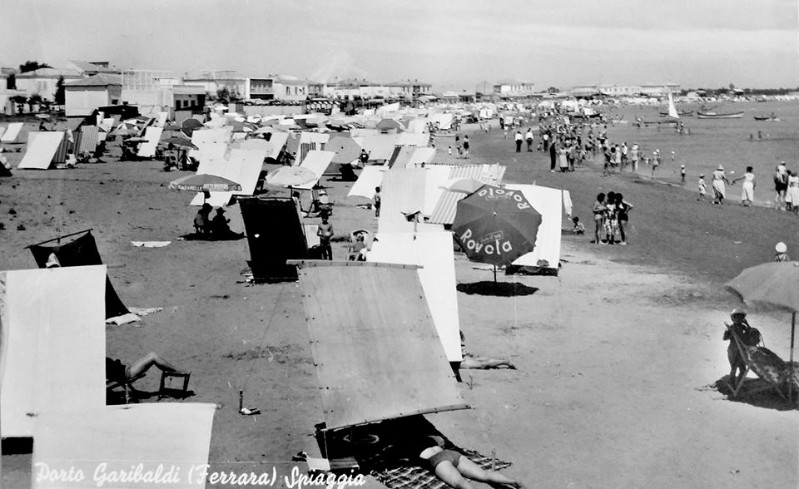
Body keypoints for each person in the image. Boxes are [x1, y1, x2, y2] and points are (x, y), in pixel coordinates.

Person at [407, 435, 524, 489]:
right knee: (484, 474)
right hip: (452, 454)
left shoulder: (407, 447)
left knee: (459, 483)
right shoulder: (432, 438)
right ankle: (512, 481)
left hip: (438, 459)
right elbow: (443, 442)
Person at [722, 309, 760, 387]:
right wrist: (729, 332)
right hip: (733, 351)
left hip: (742, 352)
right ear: (733, 319)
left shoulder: (744, 327)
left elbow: (752, 334)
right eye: (736, 317)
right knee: (734, 368)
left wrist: (747, 325)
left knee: (742, 370)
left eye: (741, 318)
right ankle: (732, 384)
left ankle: (738, 384)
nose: (738, 319)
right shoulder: (731, 328)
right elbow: (724, 338)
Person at [106, 353, 185, 384]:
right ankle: (178, 371)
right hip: (127, 373)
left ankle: (173, 370)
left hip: (125, 368)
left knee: (151, 354)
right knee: (153, 357)